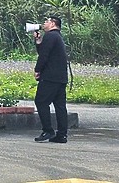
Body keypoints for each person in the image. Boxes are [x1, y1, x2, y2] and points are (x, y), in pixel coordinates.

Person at [33, 15, 69, 143]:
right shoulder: (57, 37)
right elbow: (44, 51)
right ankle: (62, 134)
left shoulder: (50, 36)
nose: (44, 24)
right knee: (60, 105)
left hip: (50, 77)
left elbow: (44, 55)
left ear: (53, 24)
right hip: (60, 77)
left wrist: (37, 70)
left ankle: (47, 130)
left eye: (46, 21)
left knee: (41, 101)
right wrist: (38, 42)